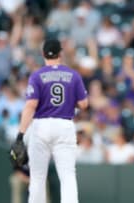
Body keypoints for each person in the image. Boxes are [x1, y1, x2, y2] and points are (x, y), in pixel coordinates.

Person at [11, 39, 88, 203]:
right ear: (60, 54)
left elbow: (31, 105)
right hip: (64, 125)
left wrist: (20, 135)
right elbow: (84, 104)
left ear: (43, 54)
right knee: (67, 175)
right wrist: (69, 100)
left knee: (37, 176)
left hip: (42, 126)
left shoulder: (37, 76)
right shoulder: (73, 75)